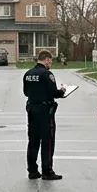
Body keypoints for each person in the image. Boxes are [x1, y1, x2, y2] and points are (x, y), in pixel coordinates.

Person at [22, 49, 66, 180]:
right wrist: (62, 91)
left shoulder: (28, 74)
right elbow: (53, 93)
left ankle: (32, 170)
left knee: (33, 141)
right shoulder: (47, 74)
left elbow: (26, 92)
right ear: (46, 60)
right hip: (45, 111)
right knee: (47, 141)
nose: (50, 64)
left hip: (32, 109)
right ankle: (47, 171)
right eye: (50, 61)